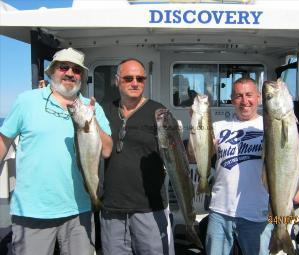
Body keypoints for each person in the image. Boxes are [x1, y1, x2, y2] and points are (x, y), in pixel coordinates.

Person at [0, 47, 113, 255]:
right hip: (32, 211)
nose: (70, 73)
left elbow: (106, 151)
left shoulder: (92, 107)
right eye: (64, 67)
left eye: (77, 70)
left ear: (82, 76)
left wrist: (92, 119)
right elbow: (3, 142)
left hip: (80, 210)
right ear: (51, 71)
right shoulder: (26, 101)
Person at [100, 58, 175, 255]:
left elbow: (175, 154)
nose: (135, 83)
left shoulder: (159, 112)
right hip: (112, 207)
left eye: (140, 78)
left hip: (149, 208)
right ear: (117, 80)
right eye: (128, 78)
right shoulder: (104, 110)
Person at [205, 77, 268, 255]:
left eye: (249, 95)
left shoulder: (269, 126)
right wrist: (198, 124)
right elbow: (194, 155)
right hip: (220, 211)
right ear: (232, 99)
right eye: (239, 96)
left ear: (258, 97)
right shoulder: (218, 127)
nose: (244, 101)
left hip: (258, 212)